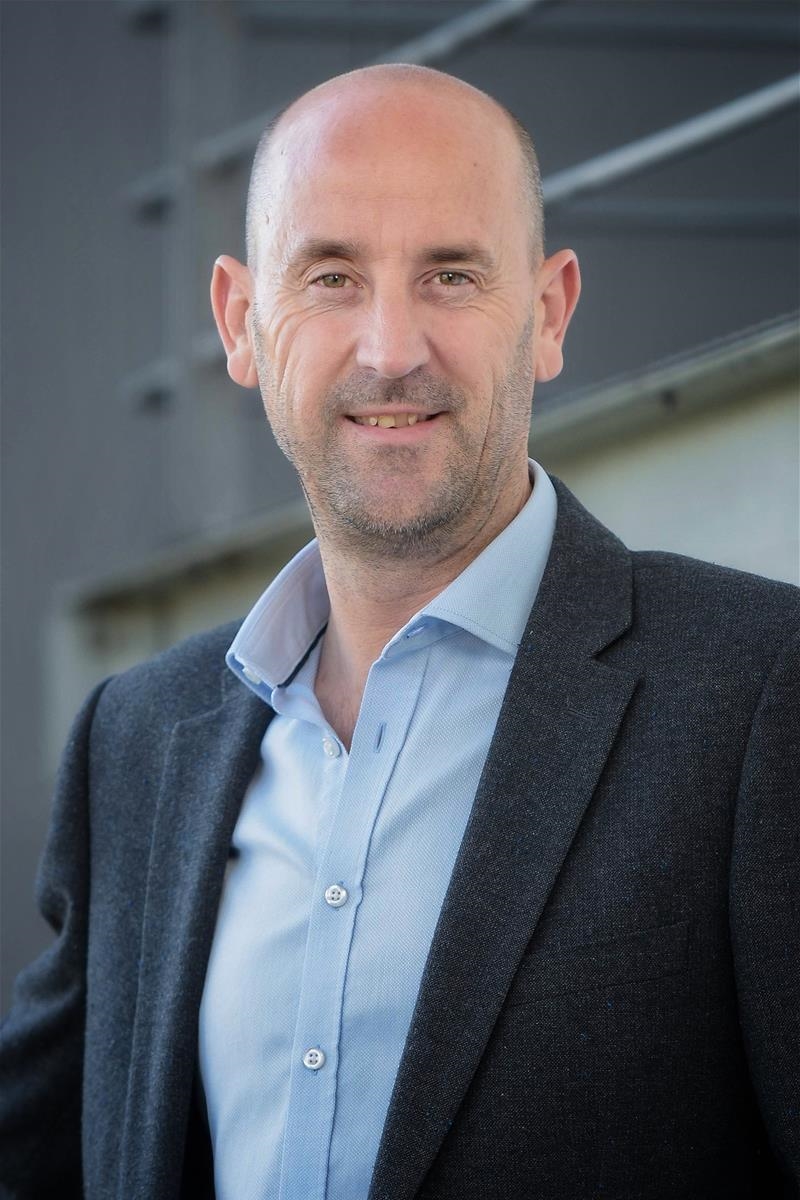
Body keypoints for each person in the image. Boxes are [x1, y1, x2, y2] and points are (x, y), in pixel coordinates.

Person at [1, 63, 798, 1200]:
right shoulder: (136, 739)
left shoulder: (758, 692)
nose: (389, 349)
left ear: (548, 313)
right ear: (239, 323)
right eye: (331, 276)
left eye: (451, 275)